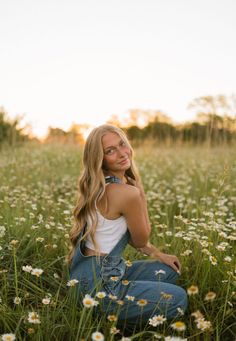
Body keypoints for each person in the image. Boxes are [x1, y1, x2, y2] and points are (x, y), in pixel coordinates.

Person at [67, 124, 187, 332]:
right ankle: (116, 325)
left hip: (83, 278)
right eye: (110, 151)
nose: (122, 153)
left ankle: (119, 308)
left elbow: (124, 236)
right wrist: (140, 194)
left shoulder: (99, 185)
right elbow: (140, 239)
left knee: (168, 271)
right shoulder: (128, 193)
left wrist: (158, 254)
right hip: (101, 290)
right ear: (100, 159)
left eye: (122, 144)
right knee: (178, 298)